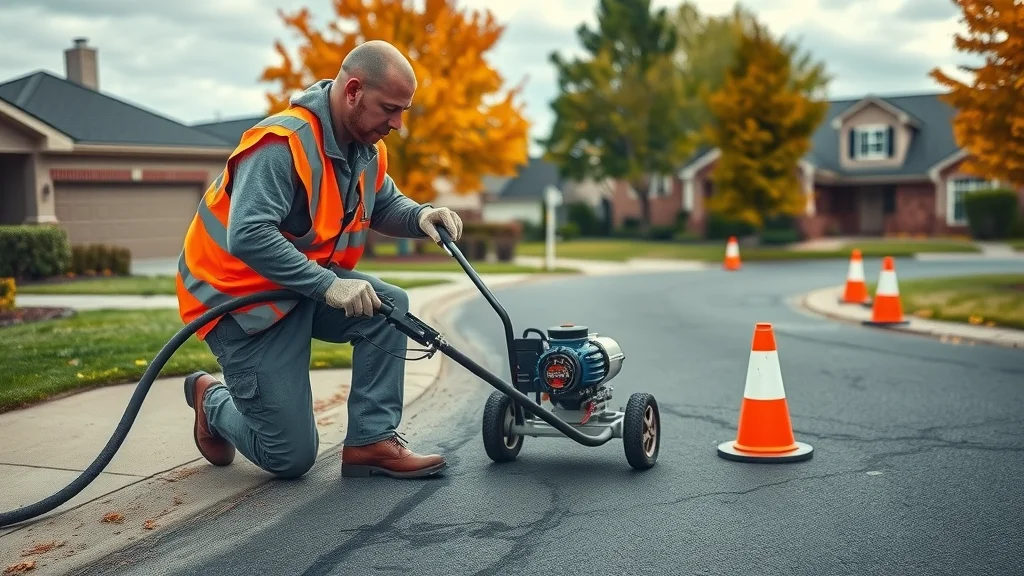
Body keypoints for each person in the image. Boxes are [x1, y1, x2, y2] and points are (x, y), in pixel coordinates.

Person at [175, 40, 463, 480]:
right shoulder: (281, 144)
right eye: (390, 108)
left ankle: (372, 441)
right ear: (352, 91)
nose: (398, 123)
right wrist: (329, 285)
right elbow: (249, 235)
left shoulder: (365, 148)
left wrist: (422, 215)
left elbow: (383, 204)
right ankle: (210, 400)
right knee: (289, 458)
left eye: (403, 110)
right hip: (240, 301)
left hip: (297, 287)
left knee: (390, 309)